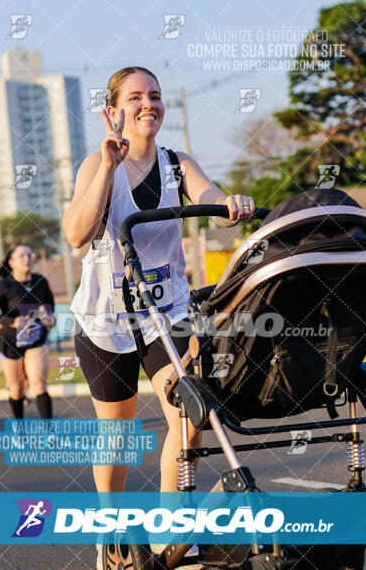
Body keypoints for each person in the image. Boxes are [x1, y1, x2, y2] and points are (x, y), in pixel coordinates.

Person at [64, 65, 254, 488]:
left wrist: (230, 204)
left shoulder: (177, 163)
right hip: (105, 320)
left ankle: (174, 530)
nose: (148, 104)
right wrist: (109, 167)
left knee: (189, 418)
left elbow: (214, 202)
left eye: (154, 95)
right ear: (112, 110)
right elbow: (77, 233)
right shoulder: (96, 164)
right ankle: (110, 534)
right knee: (117, 433)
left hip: (165, 314)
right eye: (134, 97)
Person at [0, 244, 56, 419]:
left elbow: (49, 307)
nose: (28, 259)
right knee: (17, 389)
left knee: (39, 384)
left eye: (30, 255)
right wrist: (12, 321)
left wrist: (49, 318)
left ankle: (49, 432)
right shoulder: (4, 285)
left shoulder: (41, 281)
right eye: (22, 256)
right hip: (11, 340)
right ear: (11, 262)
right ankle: (19, 428)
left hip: (36, 338)